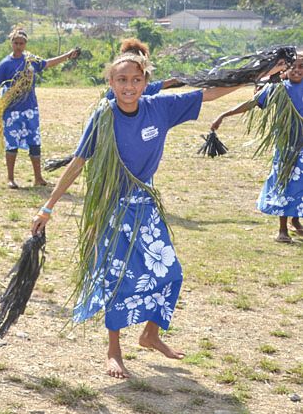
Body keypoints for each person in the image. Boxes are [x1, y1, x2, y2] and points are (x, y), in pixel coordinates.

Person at [30, 53, 276, 379]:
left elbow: (208, 94)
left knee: (171, 273)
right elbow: (77, 163)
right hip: (112, 208)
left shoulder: (159, 108)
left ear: (146, 82)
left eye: (135, 80)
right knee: (118, 279)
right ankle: (113, 350)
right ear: (111, 83)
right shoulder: (103, 117)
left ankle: (150, 335)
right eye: (122, 80)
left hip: (145, 205)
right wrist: (48, 207)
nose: (129, 86)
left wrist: (252, 78)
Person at [0, 27, 80, 188]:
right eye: (16, 43)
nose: (18, 46)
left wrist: (67, 56)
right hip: (11, 111)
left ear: (25, 44)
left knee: (35, 143)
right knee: (12, 144)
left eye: (21, 43)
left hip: (30, 109)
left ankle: (38, 177)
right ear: (11, 43)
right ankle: (10, 178)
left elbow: (48, 63)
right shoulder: (5, 64)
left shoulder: (31, 61)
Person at [211, 54, 303, 243]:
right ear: (283, 69)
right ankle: (282, 229)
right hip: (286, 145)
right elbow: (252, 103)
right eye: (292, 66)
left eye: (301, 66)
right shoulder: (278, 89)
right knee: (284, 182)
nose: (297, 70)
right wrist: (224, 114)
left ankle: (296, 220)